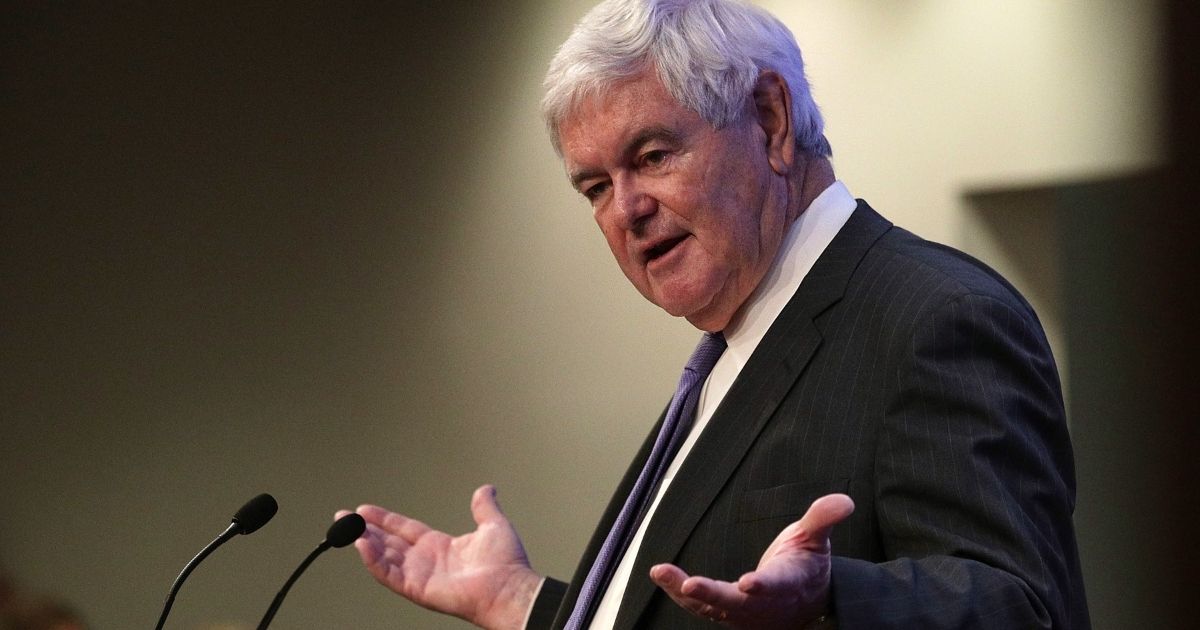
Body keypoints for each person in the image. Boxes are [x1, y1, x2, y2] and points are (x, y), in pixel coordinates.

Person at [339, 0, 1090, 627]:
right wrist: (528, 603)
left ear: (769, 120)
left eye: (654, 154)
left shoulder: (934, 319)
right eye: (595, 187)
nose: (627, 209)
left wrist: (833, 598)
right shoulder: (735, 345)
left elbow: (1021, 605)